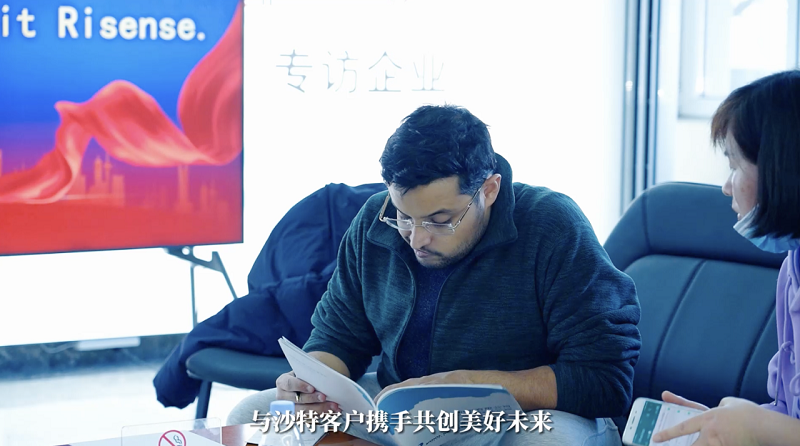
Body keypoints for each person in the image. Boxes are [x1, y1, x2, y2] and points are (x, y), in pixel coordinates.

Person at [228, 104, 642, 445]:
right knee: (252, 415)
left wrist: (468, 385)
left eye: (440, 220)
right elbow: (339, 337)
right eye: (404, 217)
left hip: (528, 415)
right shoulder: (374, 220)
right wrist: (311, 385)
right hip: (405, 411)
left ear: (489, 190)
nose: (417, 238)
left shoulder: (553, 226)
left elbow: (604, 378)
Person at [653, 71, 800, 445]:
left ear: (781, 168)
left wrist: (756, 426)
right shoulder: (792, 268)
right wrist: (727, 424)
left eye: (734, 165)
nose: (725, 186)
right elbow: (789, 412)